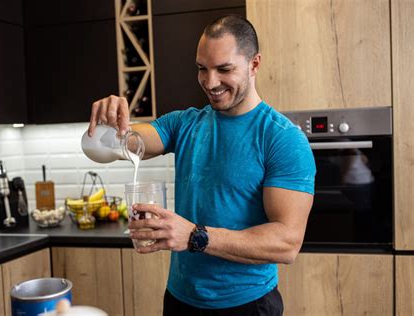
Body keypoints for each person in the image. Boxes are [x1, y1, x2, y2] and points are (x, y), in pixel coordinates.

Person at [88, 15, 315, 316]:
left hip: (246, 306)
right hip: (180, 301)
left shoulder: (282, 139)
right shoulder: (184, 123)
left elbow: (287, 243)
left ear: (254, 64)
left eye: (224, 69)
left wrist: (195, 235)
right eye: (202, 69)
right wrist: (107, 125)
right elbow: (113, 145)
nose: (210, 82)